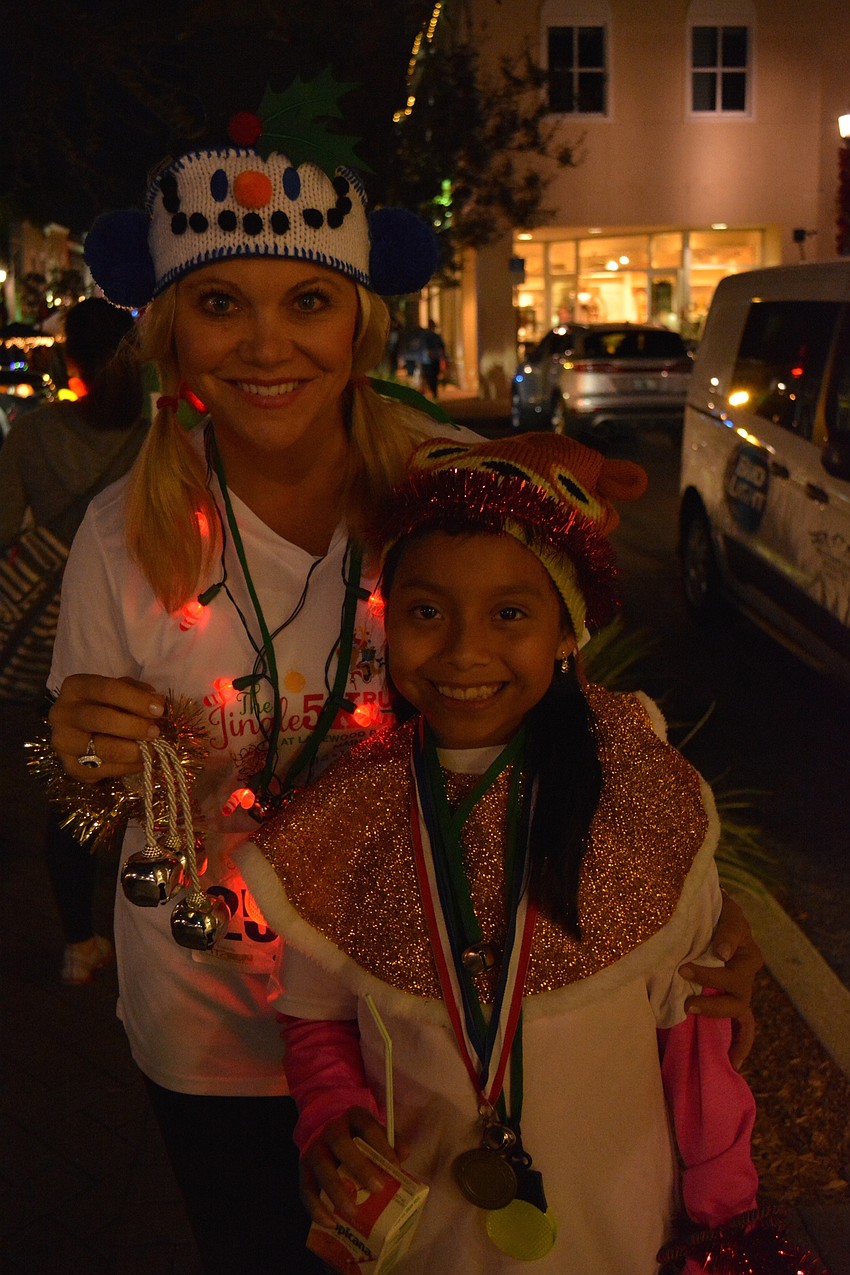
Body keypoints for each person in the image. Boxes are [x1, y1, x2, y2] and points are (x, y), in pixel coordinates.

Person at [45, 88, 759, 1274]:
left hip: (432, 1027)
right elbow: (94, 790)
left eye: (307, 301)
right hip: (215, 1034)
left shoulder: (462, 488)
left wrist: (703, 907)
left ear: (361, 324)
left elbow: (584, 729)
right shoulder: (123, 536)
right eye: (220, 304)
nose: (265, 345)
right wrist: (82, 754)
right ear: (168, 331)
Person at [235, 433, 768, 1275]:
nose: (464, 650)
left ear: (566, 629)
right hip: (429, 1240)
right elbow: (317, 1012)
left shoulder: (638, 794)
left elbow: (696, 1029)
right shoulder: (347, 813)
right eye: (427, 612)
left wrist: (726, 1221)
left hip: (618, 1229)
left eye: (510, 613)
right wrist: (330, 1108)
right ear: (387, 617)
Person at [0, 297, 147, 984]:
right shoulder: (158, 437)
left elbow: (4, 526)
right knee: (155, 775)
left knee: (74, 780)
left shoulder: (33, 434)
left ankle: (81, 942)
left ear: (71, 361)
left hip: (56, 636)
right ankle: (155, 926)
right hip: (143, 624)